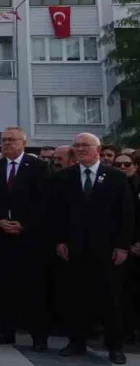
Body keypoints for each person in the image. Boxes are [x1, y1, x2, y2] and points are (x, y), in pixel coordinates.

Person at [50, 133, 133, 364]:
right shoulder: (64, 177)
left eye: (85, 145)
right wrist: (60, 241)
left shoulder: (116, 177)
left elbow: (126, 214)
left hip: (107, 249)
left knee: (110, 300)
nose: (79, 149)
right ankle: (77, 342)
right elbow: (57, 214)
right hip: (74, 248)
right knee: (75, 298)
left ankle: (115, 347)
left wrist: (122, 246)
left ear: (98, 149)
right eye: (76, 146)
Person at [0, 126, 49, 351]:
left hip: (28, 239)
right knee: (3, 287)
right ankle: (5, 331)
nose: (7, 143)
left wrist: (25, 223)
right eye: (4, 140)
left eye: (12, 140)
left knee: (32, 289)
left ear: (23, 142)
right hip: (2, 237)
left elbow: (44, 202)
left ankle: (38, 337)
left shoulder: (38, 167)